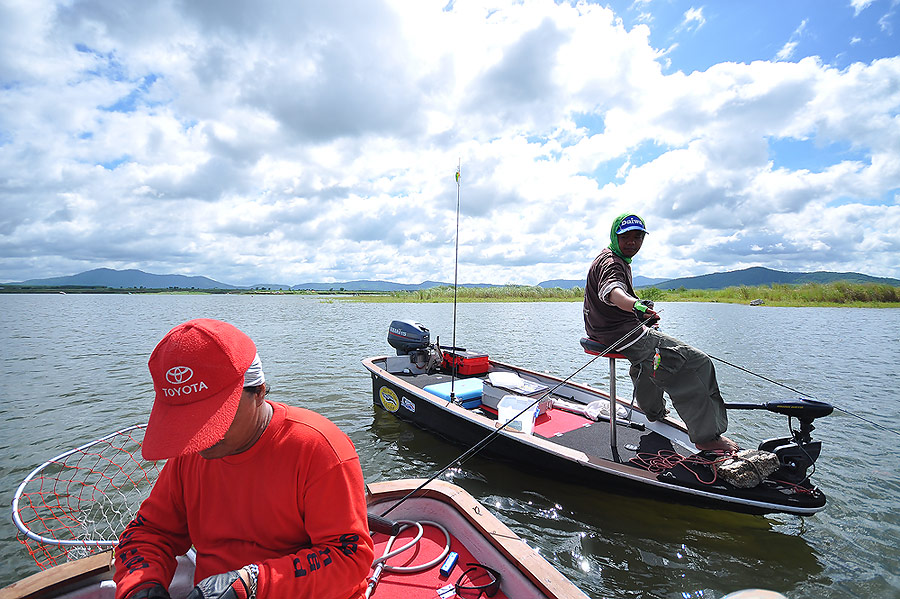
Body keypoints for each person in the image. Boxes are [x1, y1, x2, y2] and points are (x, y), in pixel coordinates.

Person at [113, 318, 375, 599]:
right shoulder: (190, 454)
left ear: (259, 392)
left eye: (213, 418)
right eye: (184, 423)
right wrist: (141, 586)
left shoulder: (318, 449)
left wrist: (250, 584)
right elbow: (148, 533)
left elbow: (349, 559)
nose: (199, 437)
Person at [583, 214, 739, 453]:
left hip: (607, 330)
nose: (632, 243)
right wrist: (634, 305)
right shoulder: (612, 263)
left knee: (654, 357)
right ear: (615, 236)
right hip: (620, 334)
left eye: (637, 237)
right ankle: (707, 437)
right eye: (625, 237)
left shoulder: (614, 258)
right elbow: (613, 291)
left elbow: (614, 301)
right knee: (695, 362)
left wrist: (640, 313)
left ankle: (653, 411)